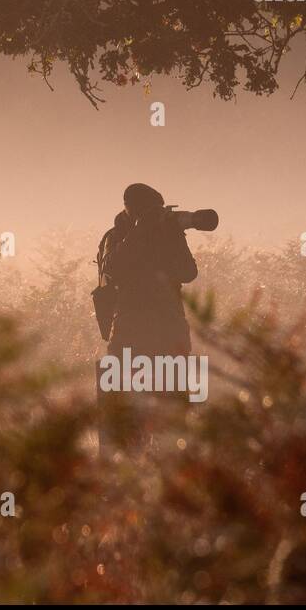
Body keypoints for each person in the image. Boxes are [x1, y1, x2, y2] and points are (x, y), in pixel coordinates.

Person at [95, 183, 198, 451]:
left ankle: (175, 465)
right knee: (124, 405)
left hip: (169, 330)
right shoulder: (117, 235)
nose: (158, 216)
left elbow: (188, 272)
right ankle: (122, 465)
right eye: (152, 211)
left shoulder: (168, 234)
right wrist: (141, 230)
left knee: (175, 411)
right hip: (131, 331)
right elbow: (113, 268)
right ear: (133, 211)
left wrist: (173, 236)